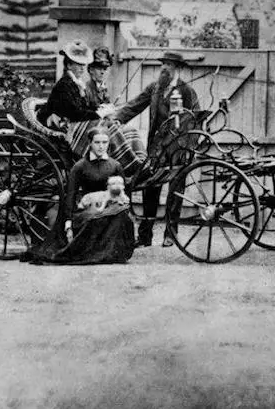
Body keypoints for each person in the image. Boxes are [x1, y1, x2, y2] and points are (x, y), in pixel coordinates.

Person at [113, 51, 200, 247]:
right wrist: (117, 117)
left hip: (178, 148)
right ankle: (145, 236)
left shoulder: (186, 91)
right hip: (157, 147)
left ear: (177, 68)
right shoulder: (155, 88)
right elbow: (135, 105)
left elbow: (195, 120)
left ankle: (171, 234)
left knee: (175, 192)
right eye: (163, 63)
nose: (164, 68)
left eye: (169, 64)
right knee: (150, 188)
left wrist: (189, 146)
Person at [22, 127, 135, 265]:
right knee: (93, 216)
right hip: (87, 206)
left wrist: (123, 203)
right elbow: (71, 195)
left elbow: (122, 192)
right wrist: (68, 222)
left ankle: (111, 252)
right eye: (97, 142)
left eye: (104, 142)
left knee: (121, 213)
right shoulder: (80, 166)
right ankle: (94, 253)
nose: (101, 146)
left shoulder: (115, 165)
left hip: (109, 205)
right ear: (90, 143)